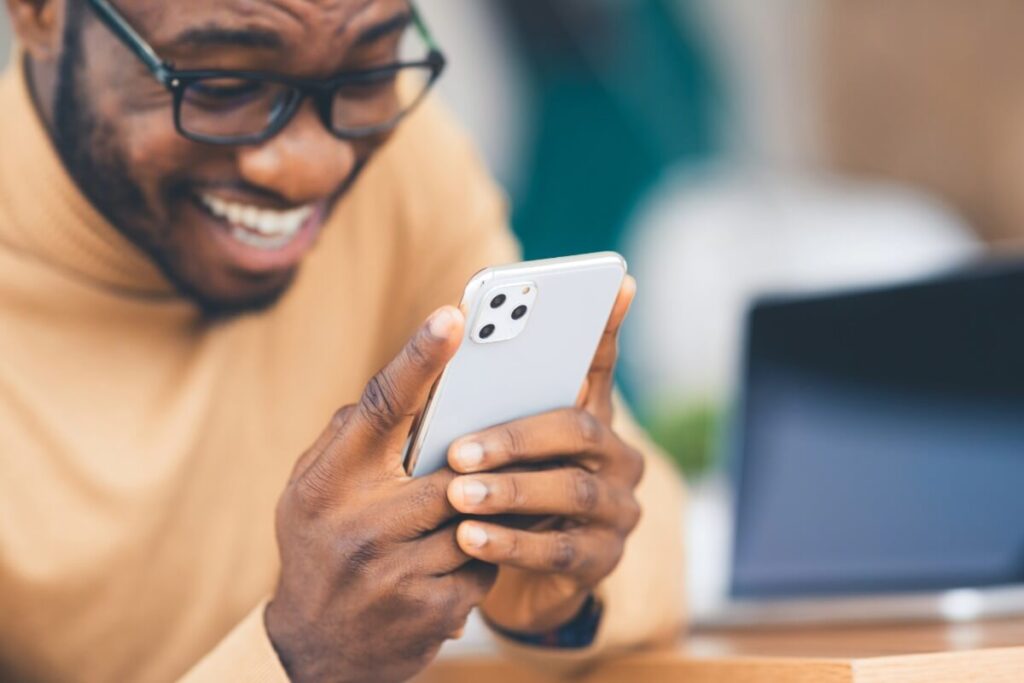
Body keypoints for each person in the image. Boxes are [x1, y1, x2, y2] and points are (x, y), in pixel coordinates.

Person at [0, 0, 685, 681]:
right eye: (222, 87)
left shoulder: (398, 159)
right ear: (38, 14)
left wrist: (557, 587)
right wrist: (303, 659)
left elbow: (654, 528)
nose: (310, 168)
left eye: (369, 73)